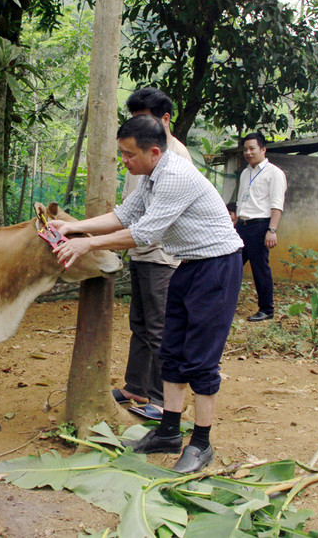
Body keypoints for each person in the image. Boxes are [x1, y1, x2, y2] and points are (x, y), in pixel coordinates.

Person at [50, 111, 243, 474]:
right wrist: (73, 228)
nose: (124, 160)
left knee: (201, 360)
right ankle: (168, 432)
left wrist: (87, 245)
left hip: (217, 268)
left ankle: (201, 443)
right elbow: (124, 215)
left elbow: (144, 233)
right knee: (171, 351)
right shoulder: (150, 177)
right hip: (188, 264)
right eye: (121, 153)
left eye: (129, 154)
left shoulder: (174, 176)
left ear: (154, 152)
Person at [112, 88, 193, 423]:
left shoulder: (174, 156)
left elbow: (154, 223)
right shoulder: (139, 150)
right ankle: (136, 387)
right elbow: (128, 210)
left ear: (165, 120)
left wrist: (93, 243)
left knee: (160, 327)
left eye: (143, 120)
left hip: (162, 255)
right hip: (141, 251)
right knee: (140, 324)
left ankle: (161, 399)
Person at [232, 132, 287, 322]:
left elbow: (277, 204)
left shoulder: (275, 173)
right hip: (242, 225)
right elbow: (241, 200)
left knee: (259, 268)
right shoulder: (245, 172)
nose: (248, 153)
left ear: (263, 149)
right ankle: (225, 303)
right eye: (245, 149)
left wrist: (272, 230)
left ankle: (266, 309)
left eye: (252, 148)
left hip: (260, 226)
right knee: (231, 265)